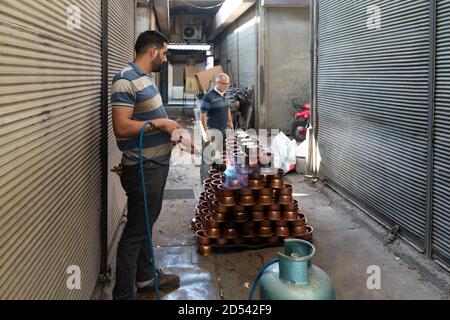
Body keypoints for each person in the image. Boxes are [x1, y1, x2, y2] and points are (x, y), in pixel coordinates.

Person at [111, 30, 181, 300]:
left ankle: (144, 277)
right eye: (164, 53)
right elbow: (121, 127)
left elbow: (146, 120)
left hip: (155, 164)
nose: (165, 58)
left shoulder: (144, 80)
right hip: (143, 168)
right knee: (135, 232)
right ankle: (123, 294)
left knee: (145, 224)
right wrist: (160, 124)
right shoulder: (125, 80)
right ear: (152, 51)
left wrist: (170, 133)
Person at [200, 73, 234, 183]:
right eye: (224, 84)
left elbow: (227, 108)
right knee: (207, 159)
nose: (227, 86)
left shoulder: (225, 95)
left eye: (228, 84)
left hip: (223, 131)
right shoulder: (208, 96)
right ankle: (205, 183)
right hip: (212, 132)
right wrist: (206, 133)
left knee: (219, 157)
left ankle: (216, 180)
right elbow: (202, 115)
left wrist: (230, 124)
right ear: (217, 83)